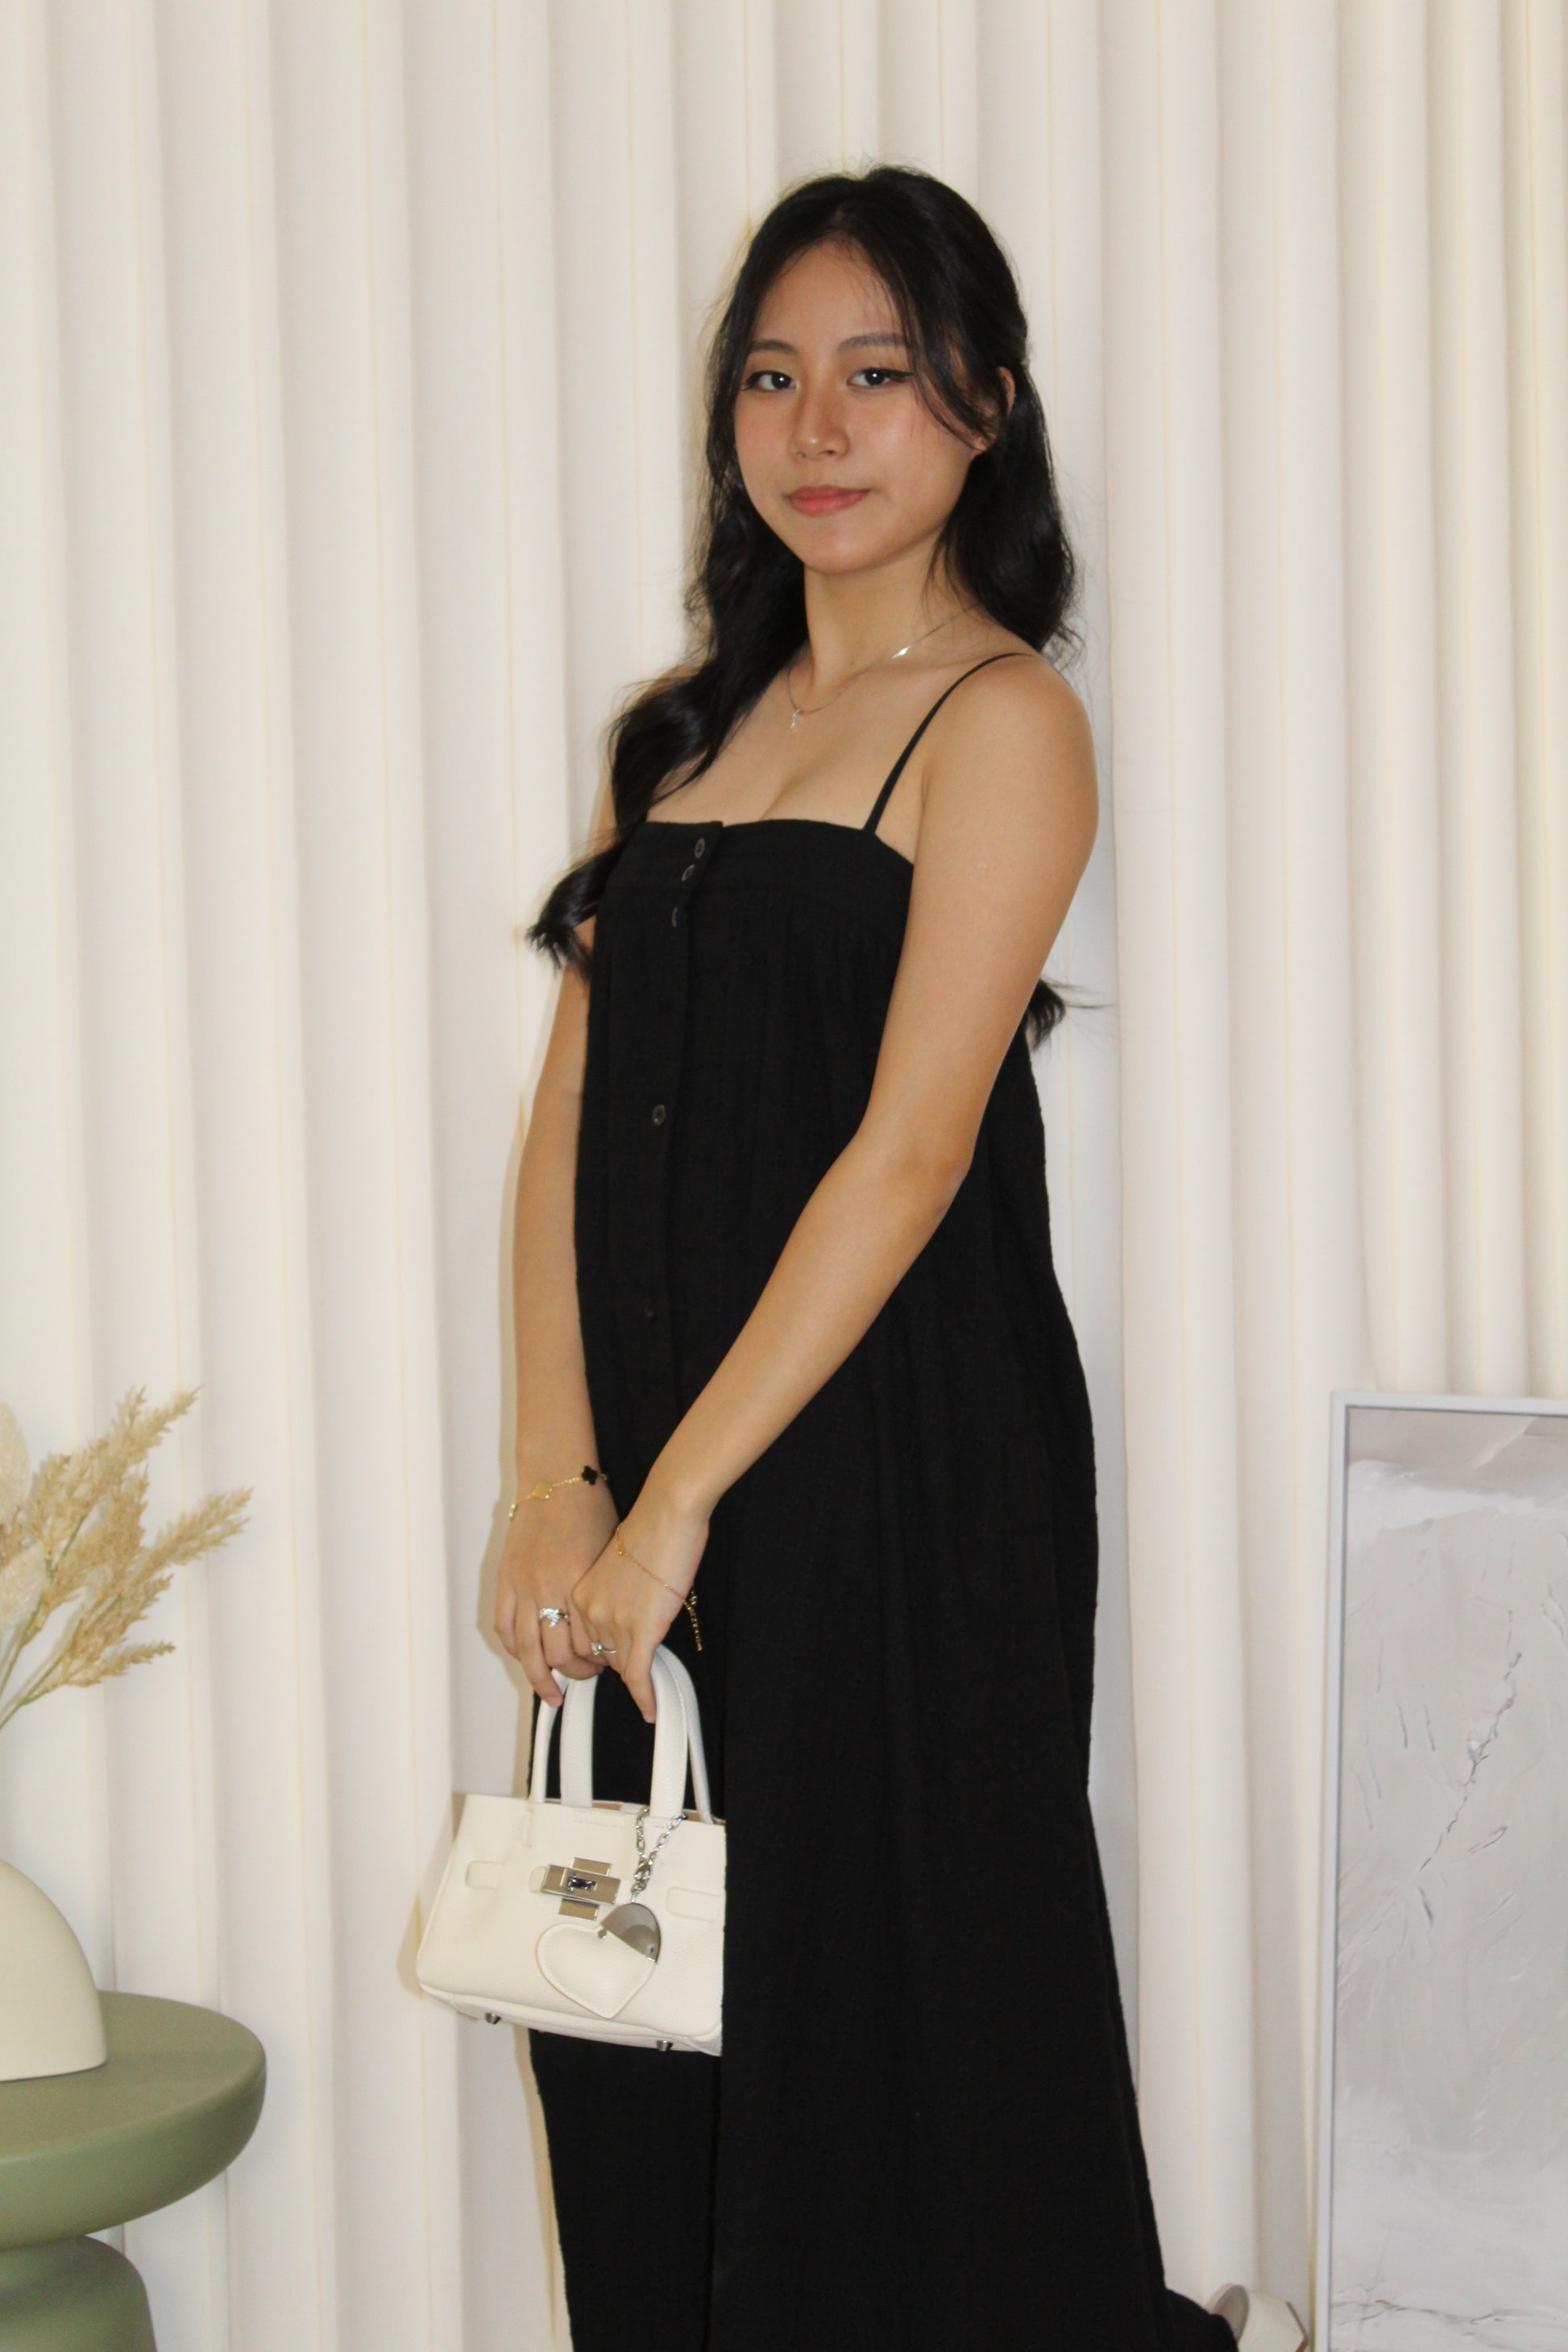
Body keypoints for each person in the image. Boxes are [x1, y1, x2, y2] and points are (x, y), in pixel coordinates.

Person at [499, 163, 1238, 2352]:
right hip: (659, 1475)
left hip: (902, 1475)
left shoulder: (1003, 721)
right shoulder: (678, 736)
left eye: (880, 373)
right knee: (640, 2013)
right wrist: (558, 1475)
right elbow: (565, 1125)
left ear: (983, 406)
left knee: (903, 2020)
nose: (818, 428)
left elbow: (909, 1158)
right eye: (771, 377)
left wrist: (673, 1509)